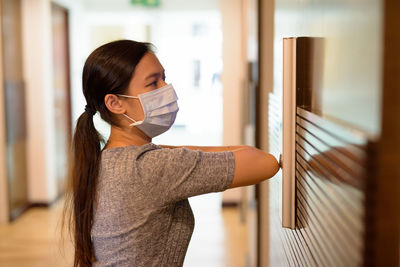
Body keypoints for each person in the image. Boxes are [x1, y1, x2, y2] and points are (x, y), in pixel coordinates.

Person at [64, 39, 279, 267]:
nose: (166, 89)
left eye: (164, 78)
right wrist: (166, 153)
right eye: (153, 83)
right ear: (115, 103)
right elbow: (265, 163)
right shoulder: (149, 167)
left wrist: (162, 151)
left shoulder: (106, 159)